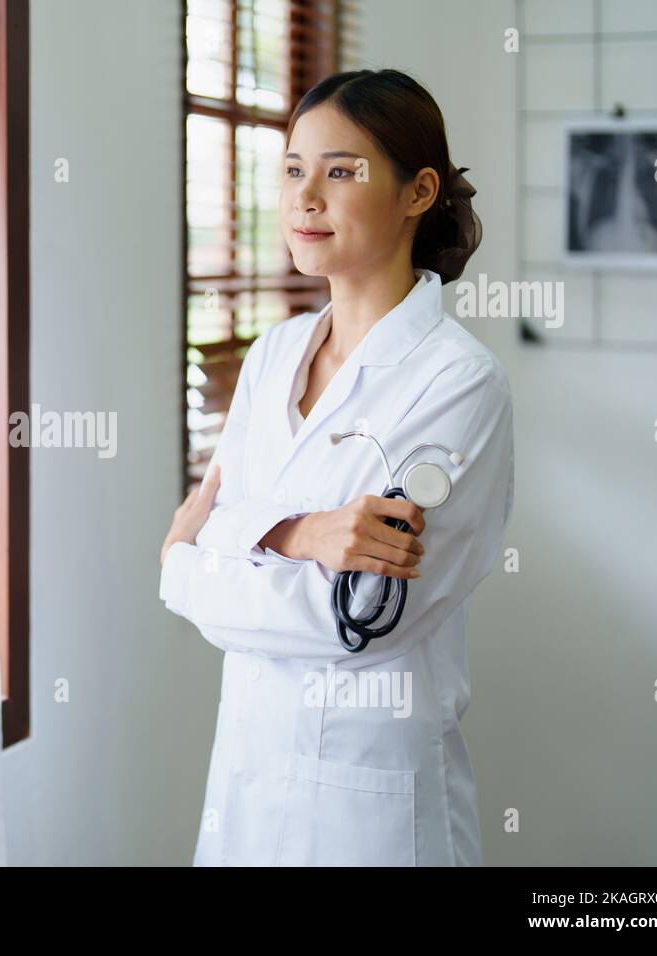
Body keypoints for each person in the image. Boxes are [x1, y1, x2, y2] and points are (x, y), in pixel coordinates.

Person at [159, 69, 514, 866]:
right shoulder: (274, 352)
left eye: (341, 170)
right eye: (292, 168)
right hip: (246, 784)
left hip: (372, 808)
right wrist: (304, 535)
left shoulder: (458, 383)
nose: (304, 196)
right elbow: (200, 558)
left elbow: (356, 622)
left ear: (419, 191)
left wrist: (196, 563)